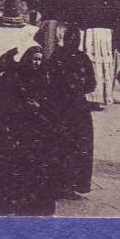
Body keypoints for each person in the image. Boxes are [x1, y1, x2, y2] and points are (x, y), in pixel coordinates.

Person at [0, 47, 65, 215]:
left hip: (33, 130)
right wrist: (8, 56)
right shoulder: (15, 76)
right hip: (14, 128)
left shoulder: (44, 77)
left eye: (40, 60)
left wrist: (40, 108)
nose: (36, 63)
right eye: (34, 59)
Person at [48, 28, 97, 198]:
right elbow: (91, 84)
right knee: (70, 145)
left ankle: (66, 183)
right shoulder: (78, 58)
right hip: (70, 107)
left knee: (70, 145)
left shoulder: (59, 56)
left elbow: (91, 83)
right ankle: (64, 184)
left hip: (68, 107)